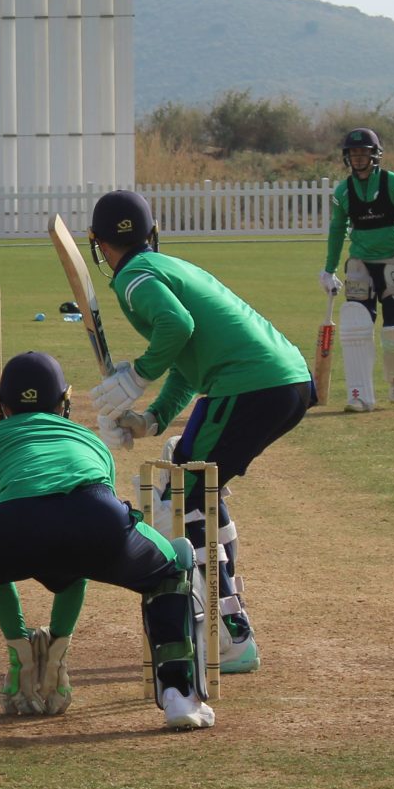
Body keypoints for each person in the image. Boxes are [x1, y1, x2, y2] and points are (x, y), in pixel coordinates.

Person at [0, 352, 218, 731]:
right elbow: (79, 552)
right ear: (65, 402)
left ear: (2, 404)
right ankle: (180, 696)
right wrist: (57, 646)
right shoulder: (90, 442)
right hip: (97, 520)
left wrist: (19, 652)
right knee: (171, 568)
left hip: (15, 523)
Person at [85, 190, 313, 677]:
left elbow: (176, 325)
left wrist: (138, 375)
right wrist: (153, 417)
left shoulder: (134, 277)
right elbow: (189, 359)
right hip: (287, 380)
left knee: (180, 496)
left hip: (250, 385)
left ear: (100, 244)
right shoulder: (173, 268)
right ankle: (226, 605)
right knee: (189, 476)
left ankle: (230, 635)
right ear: (151, 232)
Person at [319, 127, 394, 410]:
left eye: (363, 153)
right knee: (356, 326)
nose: (358, 158)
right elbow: (336, 230)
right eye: (353, 153)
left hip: (393, 259)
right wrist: (329, 270)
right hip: (359, 262)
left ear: (375, 155)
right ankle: (359, 395)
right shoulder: (343, 190)